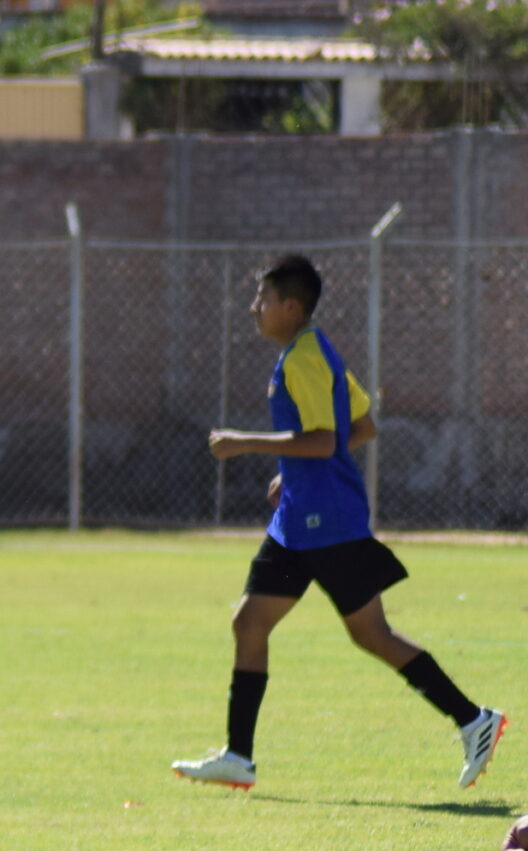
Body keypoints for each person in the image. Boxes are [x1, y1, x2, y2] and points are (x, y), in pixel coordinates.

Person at [173, 256, 499, 791]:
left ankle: (472, 718)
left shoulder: (304, 360)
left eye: (263, 299)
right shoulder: (315, 351)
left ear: (291, 307)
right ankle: (238, 756)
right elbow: (362, 425)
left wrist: (246, 443)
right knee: (250, 624)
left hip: (328, 524)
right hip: (299, 521)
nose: (254, 309)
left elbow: (326, 439)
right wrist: (296, 468)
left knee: (371, 634)